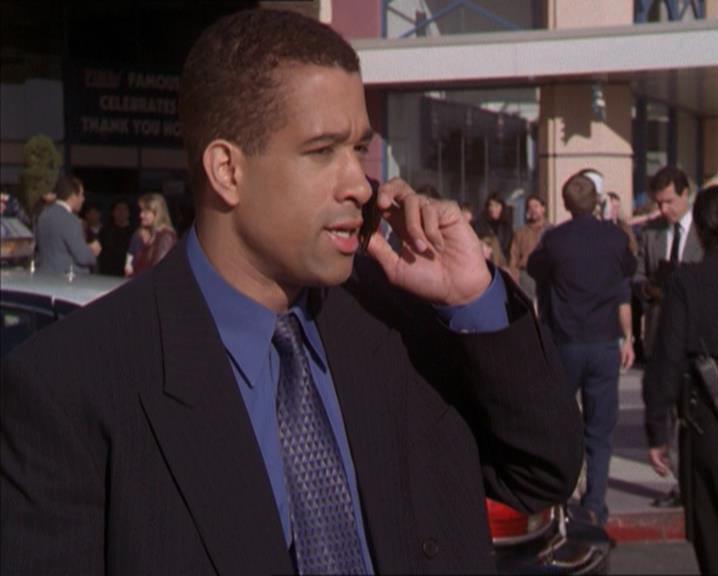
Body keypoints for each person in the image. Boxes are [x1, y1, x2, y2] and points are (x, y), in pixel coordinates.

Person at [1, 10, 583, 575]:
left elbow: (540, 474)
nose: (360, 184)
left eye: (358, 149)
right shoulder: (71, 385)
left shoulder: (399, 324)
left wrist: (473, 299)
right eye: (323, 151)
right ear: (227, 170)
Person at [528, 172, 636, 526]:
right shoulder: (615, 238)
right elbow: (628, 273)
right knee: (600, 430)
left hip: (566, 342)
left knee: (559, 424)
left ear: (566, 203)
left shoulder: (555, 239)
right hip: (604, 342)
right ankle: (594, 504)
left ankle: (559, 497)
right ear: (597, 202)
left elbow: (535, 269)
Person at [643, 184, 718, 575]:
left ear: (702, 231)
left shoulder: (688, 282)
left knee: (712, 536)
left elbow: (667, 359)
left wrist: (657, 429)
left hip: (709, 421)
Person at [634, 166, 703, 359]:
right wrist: (648, 289)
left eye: (669, 202)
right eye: (659, 203)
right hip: (659, 335)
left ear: (685, 194)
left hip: (696, 335)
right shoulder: (650, 232)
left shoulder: (705, 231)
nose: (663, 209)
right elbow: (637, 276)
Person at [34, 174, 101, 274]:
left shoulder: (43, 215)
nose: (83, 199)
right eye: (81, 195)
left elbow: (56, 247)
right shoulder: (70, 219)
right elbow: (82, 257)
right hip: (67, 278)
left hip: (45, 276)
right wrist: (93, 252)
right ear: (73, 196)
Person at [509, 194, 551, 300]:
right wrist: (514, 276)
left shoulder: (552, 231)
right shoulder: (521, 233)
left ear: (543, 208)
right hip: (526, 277)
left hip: (547, 276)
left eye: (535, 206)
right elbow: (513, 257)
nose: (532, 210)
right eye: (529, 207)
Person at [127, 192, 177, 277]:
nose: (141, 215)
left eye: (146, 212)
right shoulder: (142, 234)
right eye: (141, 211)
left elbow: (160, 272)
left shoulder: (165, 237)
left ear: (158, 213)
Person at [98, 199, 135, 276]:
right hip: (107, 274)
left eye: (124, 209)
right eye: (118, 209)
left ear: (129, 213)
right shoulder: (105, 231)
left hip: (127, 274)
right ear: (113, 212)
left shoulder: (135, 233)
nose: (121, 212)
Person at [476, 193, 512, 261]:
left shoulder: (507, 227)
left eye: (496, 205)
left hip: (501, 261)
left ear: (502, 207)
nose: (493, 209)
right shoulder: (480, 224)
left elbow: (508, 248)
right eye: (491, 205)